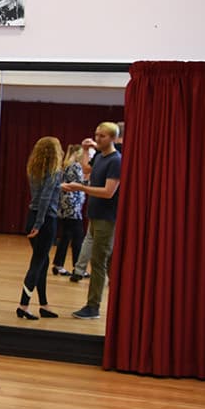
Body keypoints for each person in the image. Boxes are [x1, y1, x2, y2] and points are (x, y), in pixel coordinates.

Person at [62, 122, 122, 319]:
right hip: (96, 217)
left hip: (107, 218)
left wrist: (80, 188)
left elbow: (108, 192)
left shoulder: (115, 161)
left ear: (113, 138)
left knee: (98, 262)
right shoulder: (101, 158)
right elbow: (87, 169)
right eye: (96, 135)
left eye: (102, 136)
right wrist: (86, 150)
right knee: (110, 262)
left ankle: (93, 307)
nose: (97, 139)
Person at [16, 136, 63, 320]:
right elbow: (45, 198)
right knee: (37, 262)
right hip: (45, 220)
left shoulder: (34, 169)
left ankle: (44, 304)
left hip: (33, 216)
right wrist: (39, 224)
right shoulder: (54, 171)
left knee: (43, 261)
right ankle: (23, 305)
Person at [50, 143, 87, 277]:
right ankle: (78, 268)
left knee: (65, 236)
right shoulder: (75, 166)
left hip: (65, 206)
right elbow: (81, 184)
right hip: (72, 207)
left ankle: (58, 265)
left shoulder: (66, 166)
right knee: (78, 237)